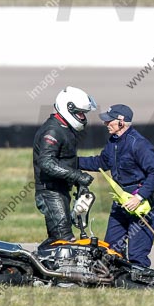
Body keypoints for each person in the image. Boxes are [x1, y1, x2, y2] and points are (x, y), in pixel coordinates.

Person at [79, 104, 154, 267]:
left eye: (109, 121)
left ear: (121, 121)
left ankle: (138, 286)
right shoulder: (113, 141)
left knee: (137, 255)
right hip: (120, 203)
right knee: (111, 250)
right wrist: (72, 161)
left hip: (140, 205)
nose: (106, 124)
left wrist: (138, 197)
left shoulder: (138, 144)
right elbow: (101, 162)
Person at [33, 86, 96, 250]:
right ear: (68, 109)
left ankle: (44, 267)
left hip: (59, 191)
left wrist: (78, 183)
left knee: (57, 239)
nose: (82, 117)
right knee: (64, 240)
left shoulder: (65, 128)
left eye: (84, 114)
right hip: (50, 193)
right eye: (80, 113)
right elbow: (46, 163)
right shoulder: (53, 131)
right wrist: (78, 176)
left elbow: (65, 161)